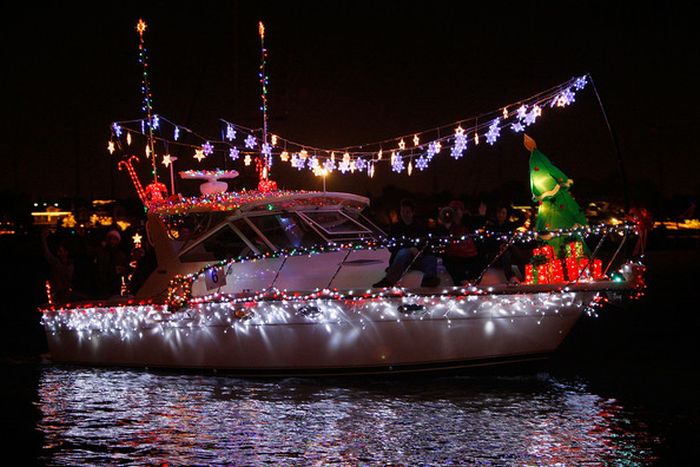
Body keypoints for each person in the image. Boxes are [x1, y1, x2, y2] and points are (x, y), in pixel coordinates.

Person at [373, 199, 440, 288]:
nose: (404, 214)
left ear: (413, 213)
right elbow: (391, 246)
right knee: (403, 252)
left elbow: (426, 244)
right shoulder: (395, 228)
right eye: (402, 211)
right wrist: (409, 248)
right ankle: (389, 280)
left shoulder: (420, 227)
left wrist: (419, 251)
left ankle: (429, 280)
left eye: (407, 212)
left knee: (431, 258)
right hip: (401, 260)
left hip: (417, 258)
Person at [438, 200, 481, 285]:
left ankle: (472, 280)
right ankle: (461, 281)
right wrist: (447, 225)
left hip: (469, 255)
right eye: (455, 210)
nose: (457, 212)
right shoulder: (448, 225)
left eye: (459, 210)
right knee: (451, 263)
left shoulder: (468, 223)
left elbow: (478, 226)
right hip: (453, 256)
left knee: (479, 261)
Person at [41, 229, 75, 304]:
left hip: (66, 294)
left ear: (66, 252)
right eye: (59, 251)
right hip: (56, 294)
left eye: (61, 251)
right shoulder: (56, 262)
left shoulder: (70, 264)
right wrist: (43, 239)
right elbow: (47, 254)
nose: (59, 253)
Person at [95, 228, 128, 298]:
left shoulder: (121, 254)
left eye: (115, 239)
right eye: (111, 239)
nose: (113, 241)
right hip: (104, 283)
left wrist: (122, 270)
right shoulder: (102, 253)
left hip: (116, 283)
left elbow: (125, 267)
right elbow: (100, 268)